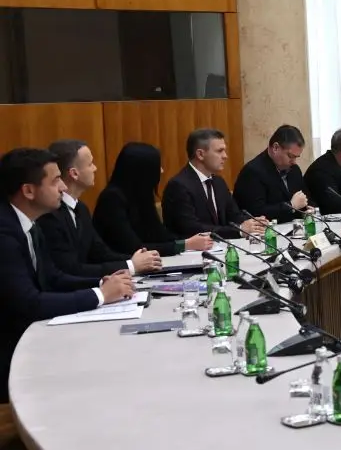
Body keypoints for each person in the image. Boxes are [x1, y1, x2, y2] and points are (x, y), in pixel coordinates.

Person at [0, 148, 134, 402]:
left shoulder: (30, 223)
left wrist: (102, 283)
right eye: (55, 181)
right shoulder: (4, 234)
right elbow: (28, 303)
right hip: (11, 351)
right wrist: (100, 295)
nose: (63, 187)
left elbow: (53, 277)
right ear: (28, 191)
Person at [37, 140, 162, 278]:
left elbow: (100, 253)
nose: (95, 168)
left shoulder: (81, 208)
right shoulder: (50, 215)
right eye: (90, 164)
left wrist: (138, 260)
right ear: (74, 173)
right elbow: (71, 269)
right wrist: (131, 265)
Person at [93, 143, 212, 256]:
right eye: (157, 166)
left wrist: (191, 240)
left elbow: (159, 235)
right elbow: (134, 248)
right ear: (142, 170)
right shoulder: (112, 200)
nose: (161, 171)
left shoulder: (141, 195)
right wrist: (184, 245)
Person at [161, 128, 264, 240]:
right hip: (193, 249)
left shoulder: (218, 182)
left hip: (220, 245)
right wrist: (239, 230)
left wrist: (254, 223)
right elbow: (191, 228)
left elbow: (233, 215)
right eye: (220, 151)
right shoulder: (178, 186)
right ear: (200, 154)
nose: (225, 156)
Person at [234, 124, 310, 222]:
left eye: (296, 157)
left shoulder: (294, 170)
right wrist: (291, 206)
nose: (294, 162)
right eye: (291, 156)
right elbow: (255, 212)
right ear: (275, 148)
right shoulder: (253, 172)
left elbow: (303, 198)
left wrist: (307, 209)